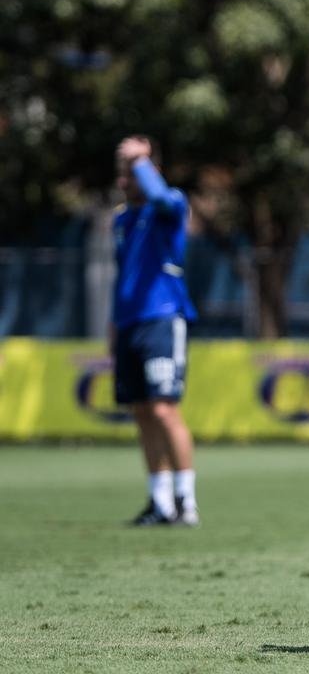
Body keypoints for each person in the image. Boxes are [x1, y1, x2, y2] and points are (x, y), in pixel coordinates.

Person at [112, 135, 200, 527]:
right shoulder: (121, 220)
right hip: (128, 324)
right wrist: (113, 326)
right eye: (123, 171)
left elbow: (162, 197)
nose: (124, 179)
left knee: (165, 409)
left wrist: (141, 160)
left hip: (162, 318)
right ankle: (160, 502)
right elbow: (123, 277)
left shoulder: (170, 204)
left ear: (151, 170)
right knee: (142, 411)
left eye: (132, 171)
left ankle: (186, 501)